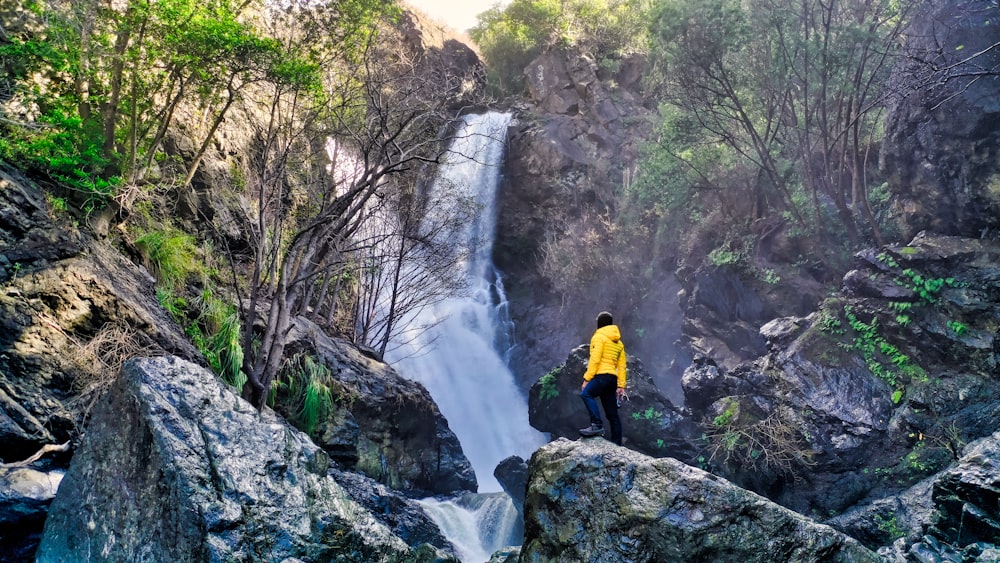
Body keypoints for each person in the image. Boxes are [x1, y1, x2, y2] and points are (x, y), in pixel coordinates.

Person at [579, 311, 627, 445]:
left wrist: (587, 379)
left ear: (599, 324)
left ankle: (597, 425)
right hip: (612, 379)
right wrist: (621, 386)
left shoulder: (598, 337)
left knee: (586, 394)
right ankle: (617, 443)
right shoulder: (619, 342)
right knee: (612, 413)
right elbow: (622, 366)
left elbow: (595, 359)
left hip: (602, 375)